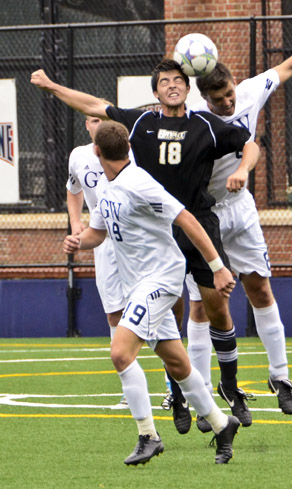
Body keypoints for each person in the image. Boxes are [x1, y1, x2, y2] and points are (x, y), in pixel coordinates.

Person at [31, 59, 258, 432]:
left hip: (197, 220)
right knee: (172, 315)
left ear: (187, 90)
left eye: (178, 81)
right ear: (155, 92)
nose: (172, 85)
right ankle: (182, 400)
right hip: (158, 234)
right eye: (164, 81)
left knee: (217, 308)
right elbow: (92, 105)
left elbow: (249, 145)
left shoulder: (205, 125)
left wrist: (242, 170)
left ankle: (230, 388)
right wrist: (52, 87)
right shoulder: (142, 123)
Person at [176, 32, 292, 420]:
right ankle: (200, 394)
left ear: (234, 85)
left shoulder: (250, 91)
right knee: (201, 306)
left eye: (229, 94)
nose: (228, 103)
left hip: (241, 209)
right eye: (219, 100)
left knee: (260, 288)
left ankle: (280, 378)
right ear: (205, 98)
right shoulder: (195, 120)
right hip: (205, 215)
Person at [63, 120, 240, 465]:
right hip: (139, 283)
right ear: (128, 147)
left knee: (120, 353)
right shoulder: (108, 187)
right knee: (177, 362)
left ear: (96, 151)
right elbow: (97, 234)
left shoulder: (139, 184)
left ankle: (148, 435)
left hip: (160, 279)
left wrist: (218, 267)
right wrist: (77, 240)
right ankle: (222, 424)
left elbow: (187, 219)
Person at [67, 112, 128, 408]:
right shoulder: (78, 156)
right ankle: (128, 390)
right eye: (92, 120)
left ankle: (175, 388)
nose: (97, 124)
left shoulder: (131, 155)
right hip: (103, 241)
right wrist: (76, 222)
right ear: (86, 126)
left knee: (157, 312)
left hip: (136, 241)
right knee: (114, 313)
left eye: (102, 118)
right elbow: (73, 190)